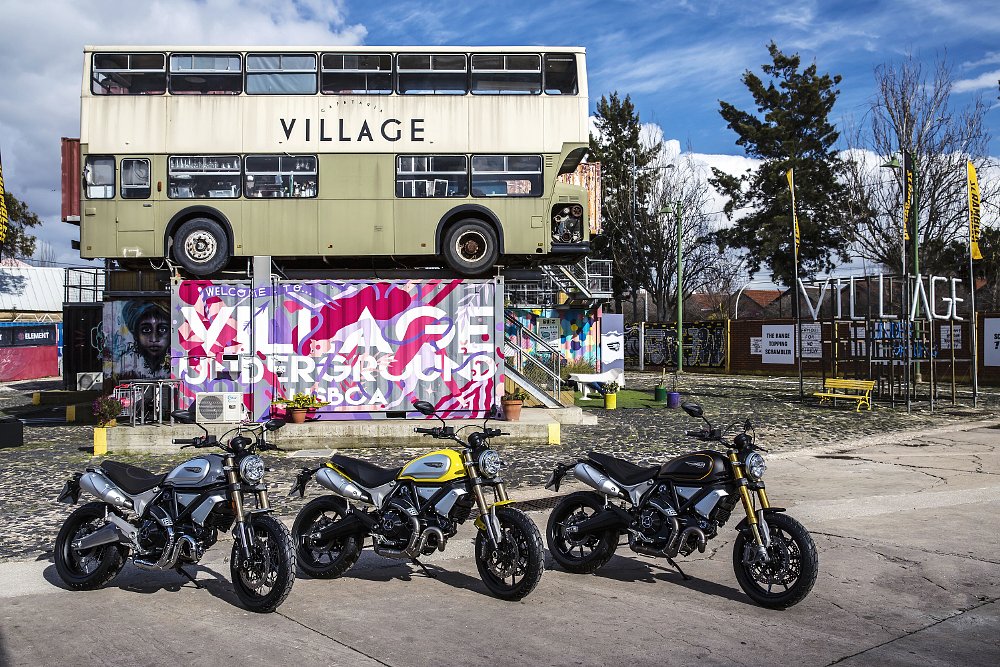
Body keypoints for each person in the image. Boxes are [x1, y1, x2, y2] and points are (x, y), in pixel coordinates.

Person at [122, 301, 169, 375]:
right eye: (146, 330)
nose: (154, 339)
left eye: (162, 329)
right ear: (135, 334)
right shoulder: (123, 366)